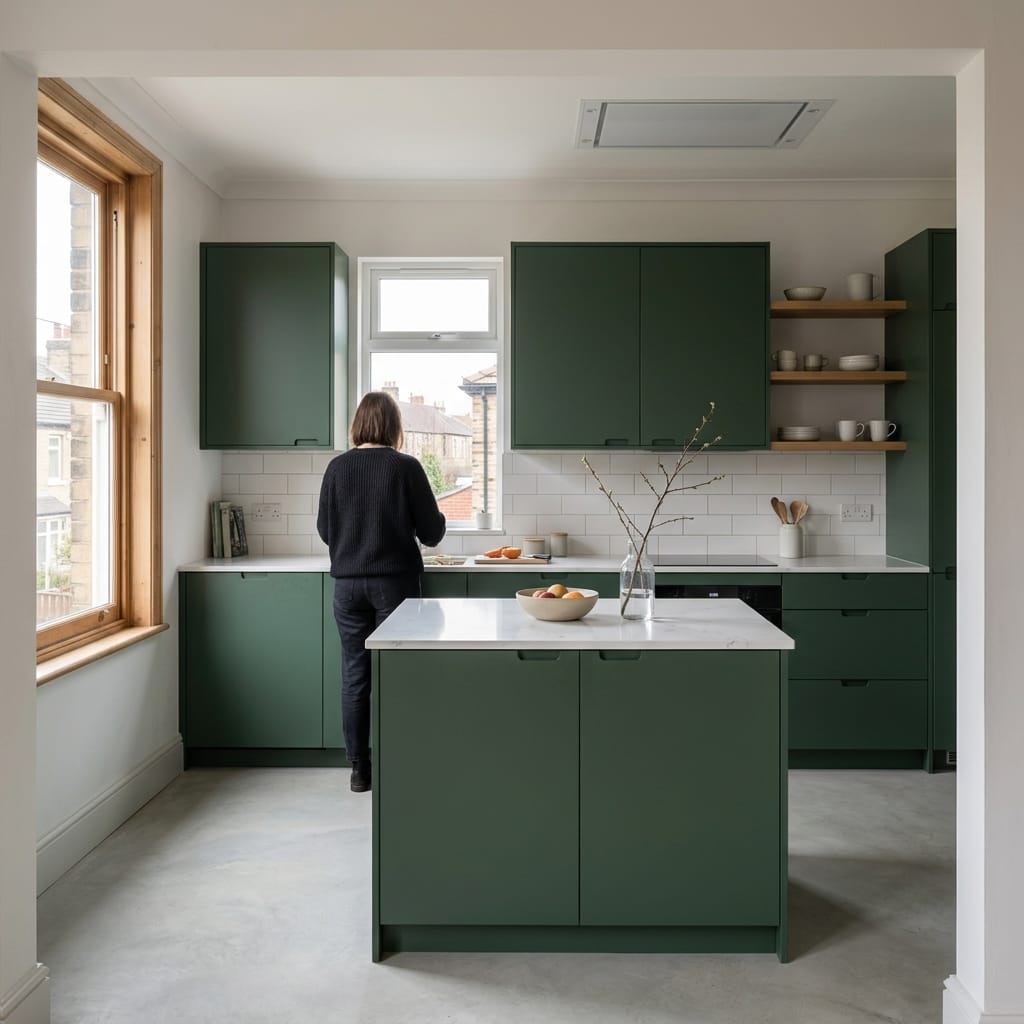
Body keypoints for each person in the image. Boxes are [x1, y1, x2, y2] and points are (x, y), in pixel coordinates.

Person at [317, 391, 446, 792]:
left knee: (355, 677)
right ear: (394, 427)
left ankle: (359, 769)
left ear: (358, 425)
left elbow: (325, 529)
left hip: (348, 588)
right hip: (395, 588)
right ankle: (401, 759)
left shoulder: (337, 468)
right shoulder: (405, 468)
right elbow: (433, 533)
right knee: (398, 675)